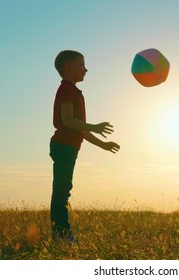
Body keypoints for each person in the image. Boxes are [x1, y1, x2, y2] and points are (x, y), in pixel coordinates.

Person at [50, 50, 120, 242]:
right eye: (82, 65)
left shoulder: (74, 91)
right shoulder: (67, 89)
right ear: (68, 67)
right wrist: (95, 127)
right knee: (62, 191)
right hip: (63, 145)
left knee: (64, 189)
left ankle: (61, 233)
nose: (86, 69)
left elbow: (80, 129)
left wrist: (103, 145)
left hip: (69, 146)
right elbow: (68, 120)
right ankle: (62, 235)